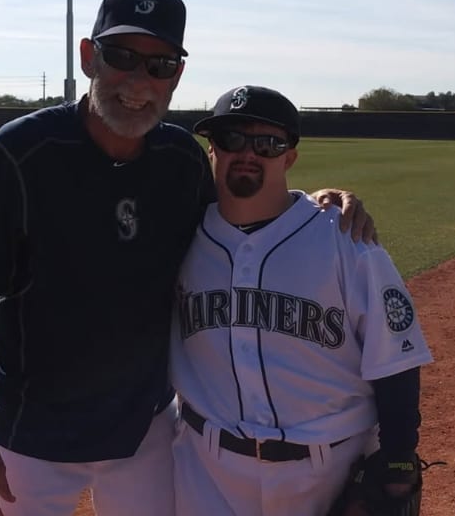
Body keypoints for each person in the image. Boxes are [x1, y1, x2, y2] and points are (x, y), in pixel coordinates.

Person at [0, 0, 375, 516]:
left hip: (143, 429)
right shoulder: (12, 159)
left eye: (160, 64)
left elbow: (245, 210)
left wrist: (319, 202)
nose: (139, 81)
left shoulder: (180, 160)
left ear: (177, 75)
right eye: (121, 57)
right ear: (88, 58)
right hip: (31, 435)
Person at [170, 85, 433, 516]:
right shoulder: (182, 235)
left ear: (290, 157)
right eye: (231, 139)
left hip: (327, 472)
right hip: (205, 471)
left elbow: (396, 359)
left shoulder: (346, 239)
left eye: (268, 144)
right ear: (211, 149)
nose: (248, 153)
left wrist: (401, 455)